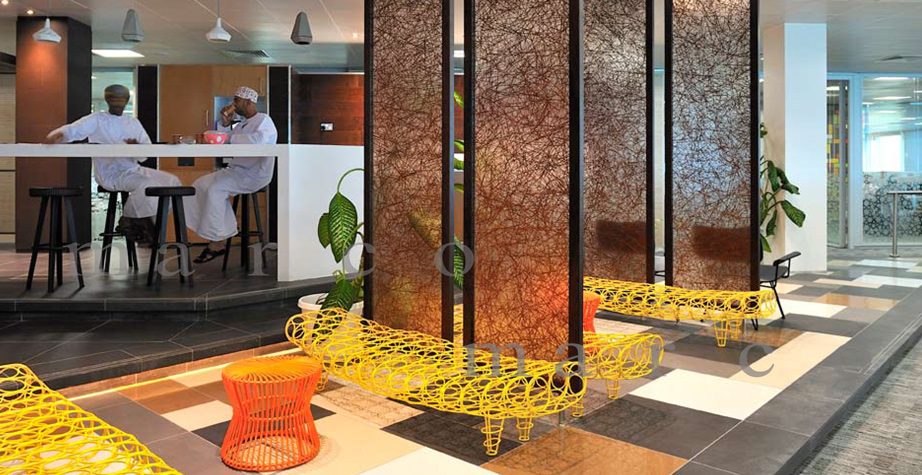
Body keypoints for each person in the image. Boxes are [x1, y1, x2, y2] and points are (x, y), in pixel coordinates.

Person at [44, 84, 180, 243]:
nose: (117, 104)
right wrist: (58, 135)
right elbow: (74, 130)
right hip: (111, 174)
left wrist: (136, 147)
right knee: (147, 184)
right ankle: (129, 220)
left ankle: (154, 228)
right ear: (107, 100)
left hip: (133, 169)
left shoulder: (133, 123)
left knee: (172, 182)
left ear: (126, 101)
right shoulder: (97, 119)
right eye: (114, 100)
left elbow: (145, 155)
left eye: (120, 101)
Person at [184, 86, 278, 263]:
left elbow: (259, 140)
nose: (233, 104)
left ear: (248, 102)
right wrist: (226, 123)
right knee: (199, 185)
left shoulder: (264, 120)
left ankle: (217, 242)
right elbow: (225, 140)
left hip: (253, 174)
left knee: (215, 190)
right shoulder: (241, 124)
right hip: (236, 171)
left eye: (236, 100)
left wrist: (231, 138)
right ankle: (223, 231)